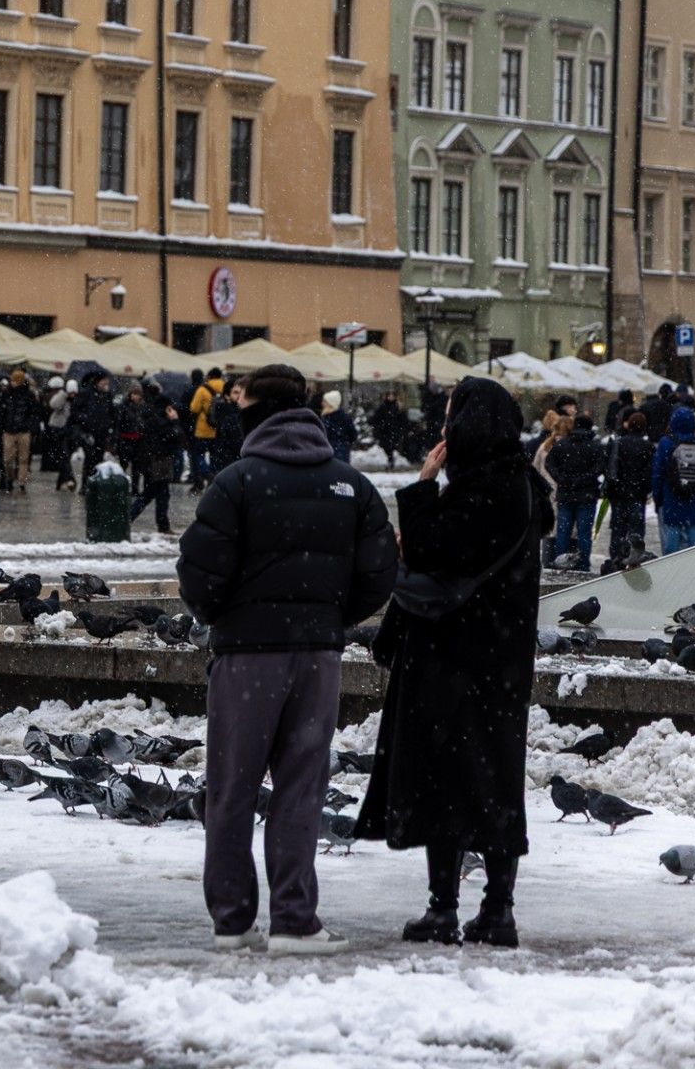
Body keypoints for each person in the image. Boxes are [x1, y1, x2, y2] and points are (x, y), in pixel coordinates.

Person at [177, 363, 396, 955]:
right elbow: (381, 572)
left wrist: (228, 614)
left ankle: (232, 920)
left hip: (247, 658)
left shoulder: (236, 482)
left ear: (254, 412)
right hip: (318, 658)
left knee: (232, 788)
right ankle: (296, 921)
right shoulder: (350, 483)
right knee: (302, 787)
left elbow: (198, 573)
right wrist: (329, 616)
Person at [359, 377, 549, 948]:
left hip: (455, 659)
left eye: (450, 417)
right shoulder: (515, 486)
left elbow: (434, 549)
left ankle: (452, 908)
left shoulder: (488, 490)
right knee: (490, 782)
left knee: (449, 783)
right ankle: (494, 909)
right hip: (497, 664)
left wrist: (419, 489)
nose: (444, 429)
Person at [544, 414, 605, 569]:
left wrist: (562, 479)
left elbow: (549, 464)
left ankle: (560, 561)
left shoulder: (562, 445)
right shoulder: (595, 446)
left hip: (565, 494)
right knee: (584, 533)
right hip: (587, 495)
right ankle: (583, 564)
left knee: (563, 531)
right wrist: (585, 479)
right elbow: (599, 468)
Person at [651, 405, 695, 554]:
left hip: (671, 500)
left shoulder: (666, 444)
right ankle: (692, 574)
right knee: (694, 548)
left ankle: (673, 575)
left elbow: (657, 475)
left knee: (671, 550)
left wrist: (658, 499)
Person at [129, 384, 184, 534]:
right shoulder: (161, 420)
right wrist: (175, 421)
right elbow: (175, 436)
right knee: (152, 493)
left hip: (152, 460)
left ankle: (162, 525)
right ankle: (128, 518)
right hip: (160, 461)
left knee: (160, 493)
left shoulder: (149, 415)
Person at [601, 412, 653, 567]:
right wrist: (644, 488)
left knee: (617, 529)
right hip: (637, 495)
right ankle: (634, 558)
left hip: (619, 494)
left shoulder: (619, 443)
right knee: (636, 531)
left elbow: (610, 467)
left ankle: (617, 559)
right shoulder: (647, 447)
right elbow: (649, 472)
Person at [0, 368, 39, 492]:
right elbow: (1, 412)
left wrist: (31, 426)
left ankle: (21, 481)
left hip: (23, 430)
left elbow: (34, 413)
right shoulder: (7, 394)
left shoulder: (28, 395)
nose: (12, 382)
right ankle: (11, 478)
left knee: (23, 458)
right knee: (8, 459)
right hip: (10, 430)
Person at [187, 368, 224, 490]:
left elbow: (194, 408)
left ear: (210, 376)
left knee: (199, 455)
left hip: (203, 428)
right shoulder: (225, 387)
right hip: (219, 428)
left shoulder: (203, 389)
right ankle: (213, 480)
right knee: (215, 456)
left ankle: (207, 473)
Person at [320, 391, 357, 464]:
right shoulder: (344, 417)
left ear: (330, 403)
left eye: (325, 401)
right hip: (340, 453)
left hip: (332, 454)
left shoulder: (326, 418)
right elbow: (353, 435)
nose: (322, 403)